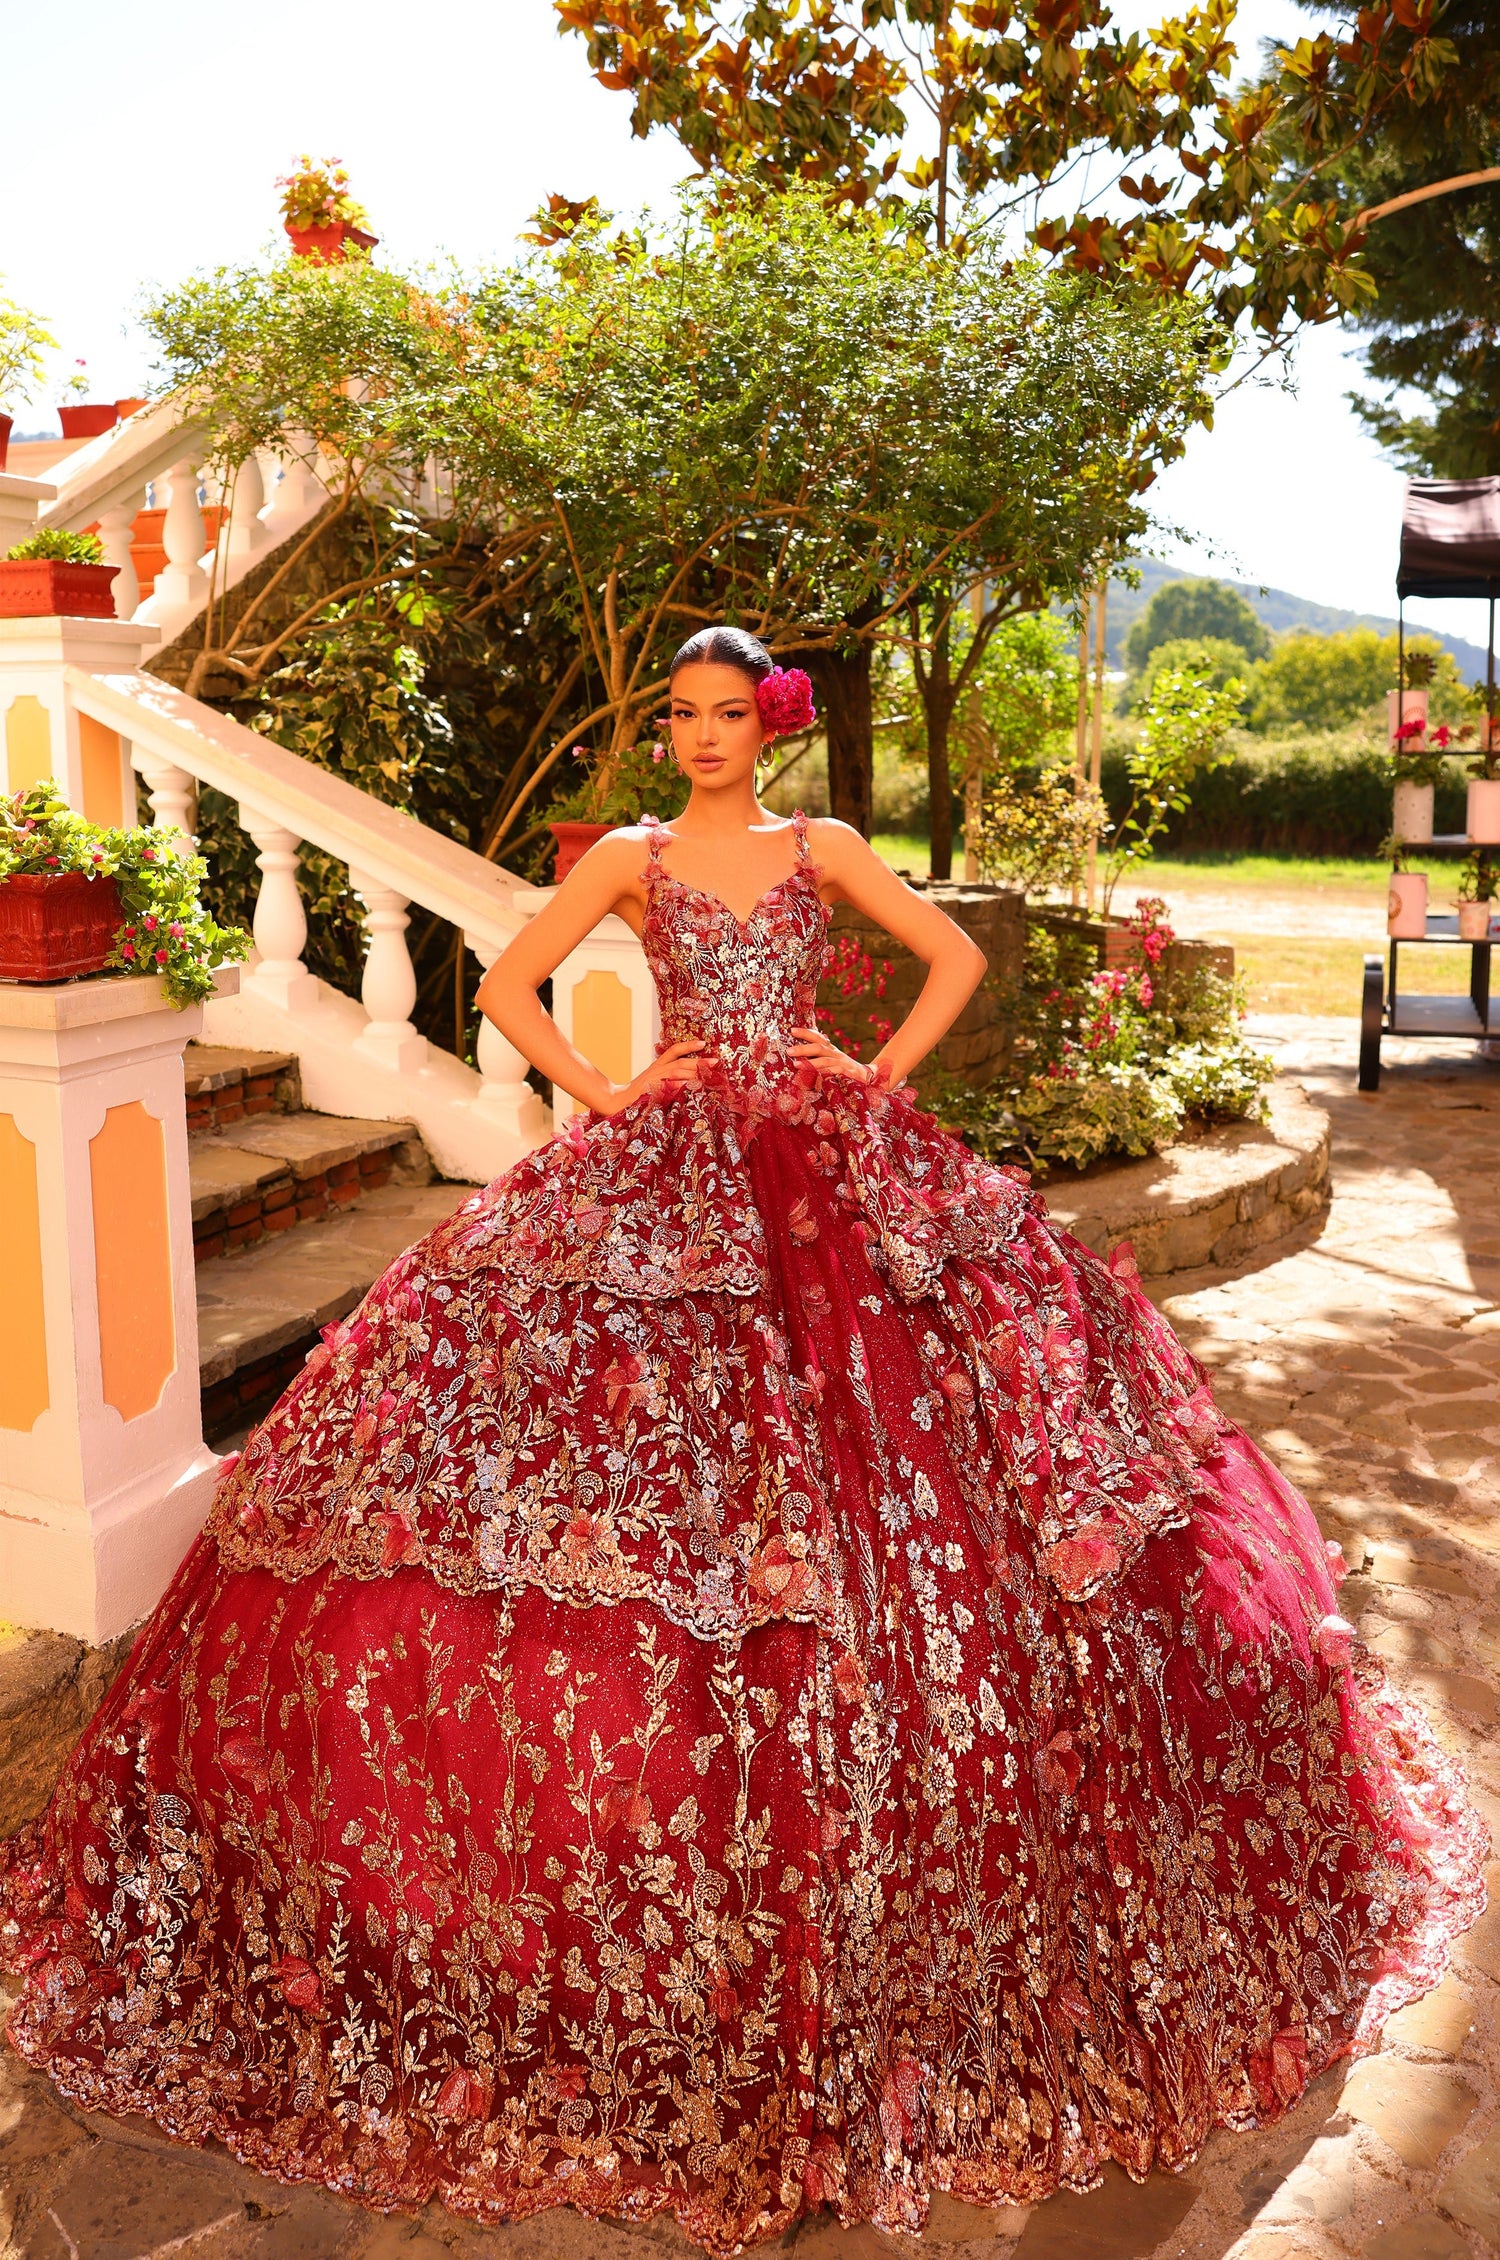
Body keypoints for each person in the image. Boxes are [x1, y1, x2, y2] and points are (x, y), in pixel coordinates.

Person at [0, 624, 1488, 2254]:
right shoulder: (634, 854)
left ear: (766, 728)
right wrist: (608, 1091)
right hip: (675, 1151)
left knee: (940, 1462)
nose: (705, 738)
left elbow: (953, 960)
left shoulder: (819, 845)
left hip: (834, 1151)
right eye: (684, 714)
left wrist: (880, 1070)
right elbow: (504, 980)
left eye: (729, 715)